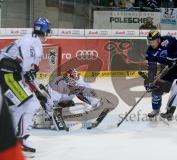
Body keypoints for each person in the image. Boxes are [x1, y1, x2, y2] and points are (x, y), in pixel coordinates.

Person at [0, 17, 51, 153]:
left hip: (10, 75)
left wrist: (38, 92)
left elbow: (28, 73)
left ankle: (14, 139)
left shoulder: (33, 41)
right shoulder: (31, 41)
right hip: (7, 75)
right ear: (46, 31)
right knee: (26, 104)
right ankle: (12, 140)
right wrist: (39, 94)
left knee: (23, 105)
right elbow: (27, 72)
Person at [34, 68, 116, 130]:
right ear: (67, 80)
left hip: (65, 100)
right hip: (50, 100)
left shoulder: (79, 80)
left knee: (79, 96)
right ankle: (39, 117)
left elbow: (89, 92)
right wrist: (51, 114)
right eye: (72, 82)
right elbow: (51, 105)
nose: (75, 84)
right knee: (48, 113)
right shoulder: (57, 86)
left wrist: (97, 103)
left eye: (76, 81)